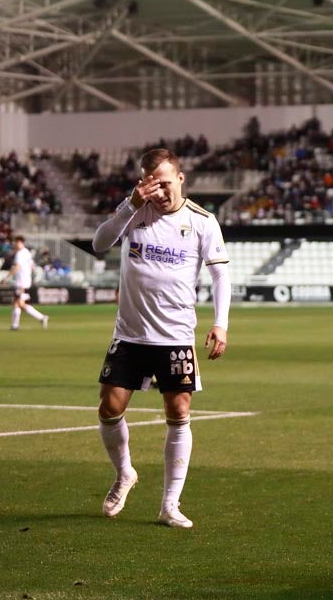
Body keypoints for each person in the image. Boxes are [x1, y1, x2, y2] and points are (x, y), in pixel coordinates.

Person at [91, 148, 231, 529]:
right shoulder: (133, 213)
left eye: (166, 183)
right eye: (152, 184)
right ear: (143, 182)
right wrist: (127, 205)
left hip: (174, 336)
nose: (160, 192)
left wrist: (221, 323)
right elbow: (99, 244)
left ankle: (170, 504)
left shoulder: (202, 222)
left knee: (179, 413)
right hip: (131, 334)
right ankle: (124, 473)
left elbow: (220, 275)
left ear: (180, 179)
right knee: (109, 408)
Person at [9, 236, 48, 331]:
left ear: (20, 242)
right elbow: (32, 266)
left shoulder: (20, 254)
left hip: (21, 282)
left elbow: (17, 266)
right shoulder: (27, 252)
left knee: (19, 303)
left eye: (16, 243)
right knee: (17, 303)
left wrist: (7, 277)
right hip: (25, 281)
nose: (15, 245)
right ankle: (15, 325)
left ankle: (42, 317)